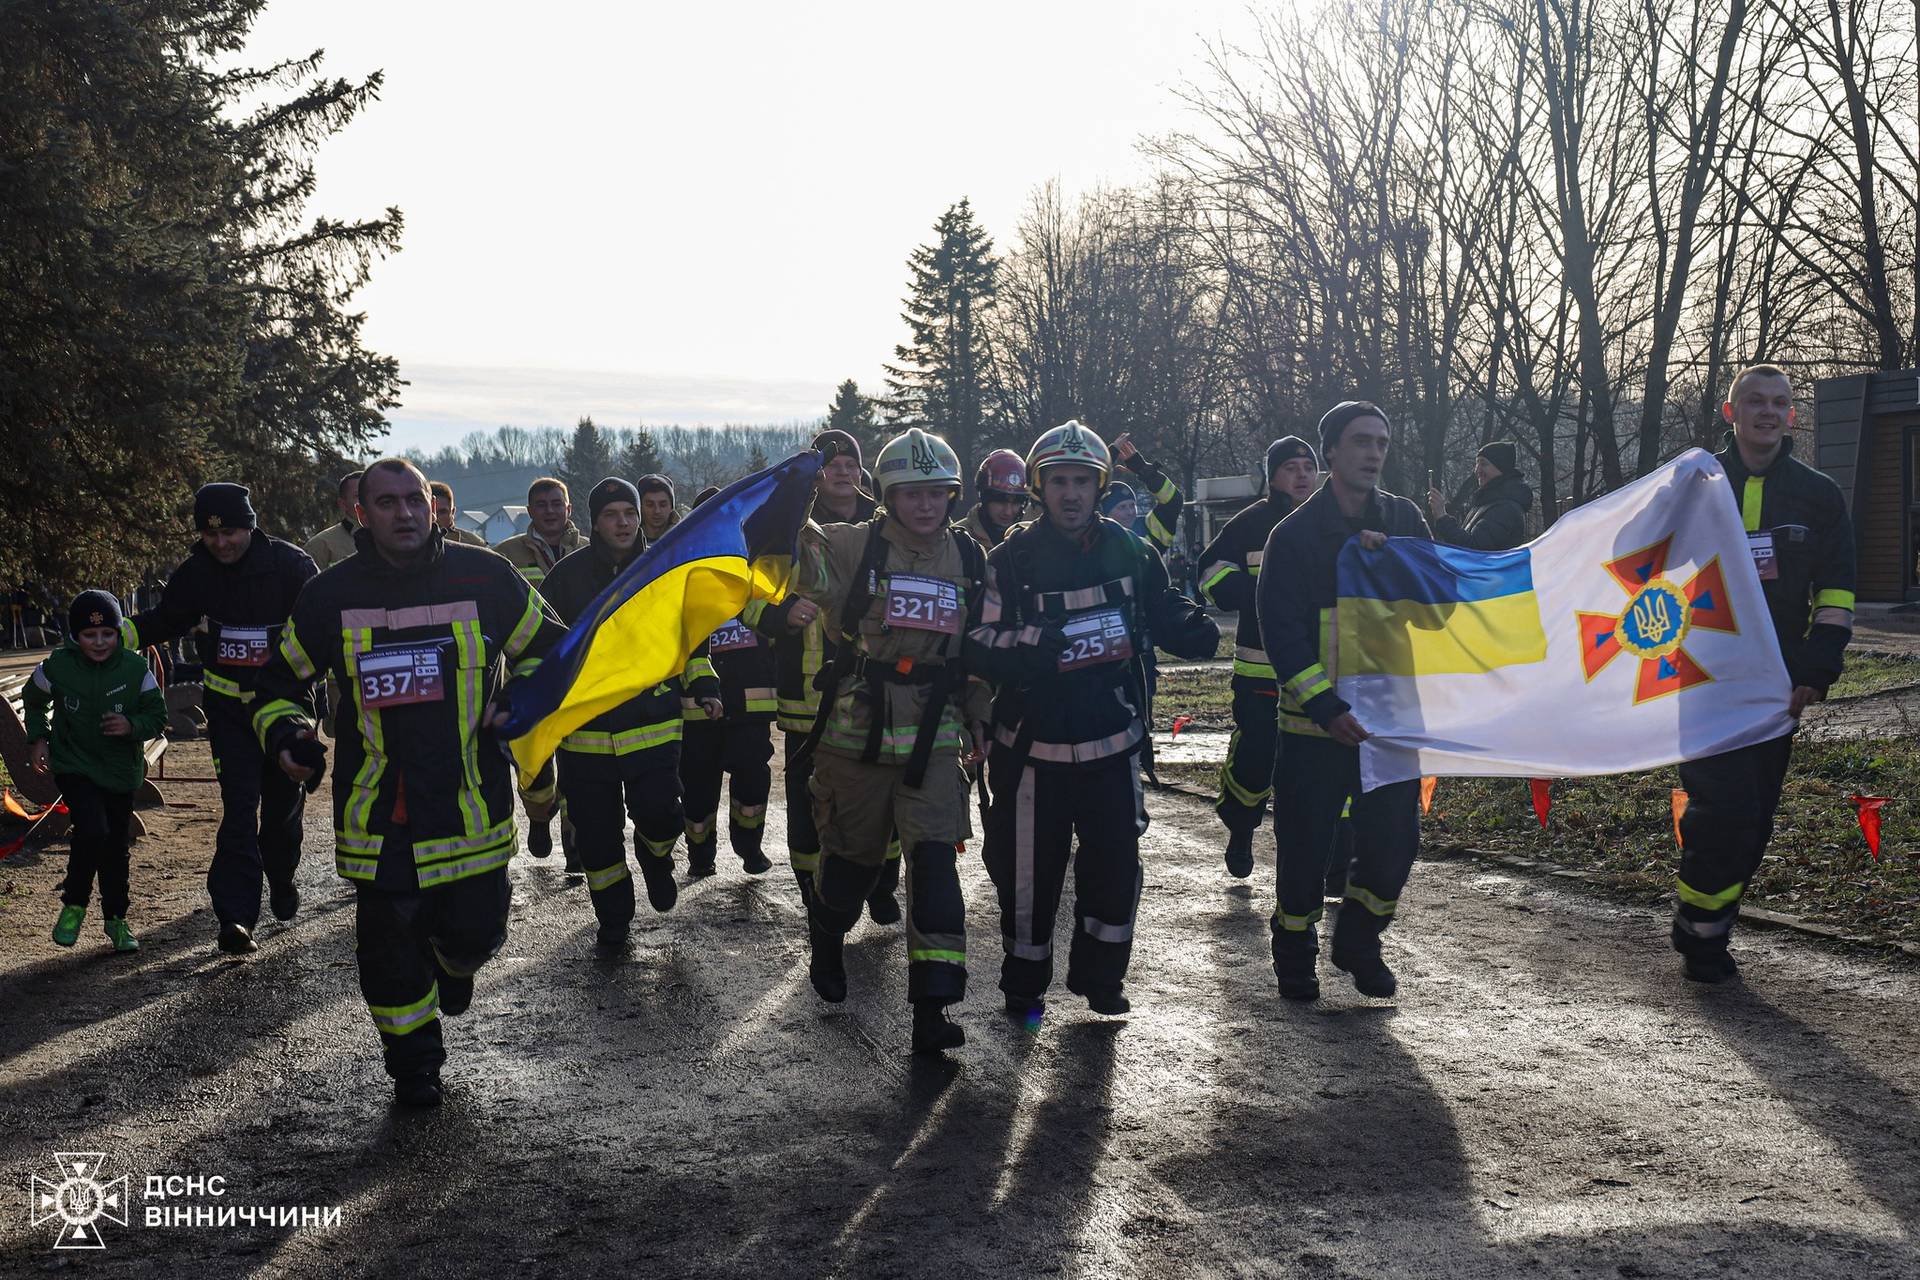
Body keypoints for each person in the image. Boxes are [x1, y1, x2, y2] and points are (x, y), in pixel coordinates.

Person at [255, 458, 566, 1108]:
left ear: (432, 507)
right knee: (389, 953)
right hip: (380, 817)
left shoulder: (486, 576)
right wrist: (290, 738)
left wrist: (522, 702)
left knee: (477, 936)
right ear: (361, 514)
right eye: (388, 502)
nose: (404, 513)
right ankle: (414, 1068)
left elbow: (548, 650)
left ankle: (453, 967)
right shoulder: (329, 596)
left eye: (414, 500)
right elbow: (277, 687)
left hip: (470, 809)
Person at [969, 421, 1218, 1019]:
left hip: (1113, 738)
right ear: (1039, 487)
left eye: (1083, 481)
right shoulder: (1010, 559)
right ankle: (1024, 980)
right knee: (1028, 873)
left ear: (1100, 484)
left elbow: (1163, 611)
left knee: (1115, 864)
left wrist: (1192, 629)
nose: (1072, 493)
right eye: (1059, 482)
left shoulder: (1132, 551)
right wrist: (1031, 640)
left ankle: (1103, 978)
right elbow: (976, 640)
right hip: (1031, 747)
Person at [793, 428, 989, 1053]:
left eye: (936, 494)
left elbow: (978, 653)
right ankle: (827, 932)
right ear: (888, 496)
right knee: (850, 867)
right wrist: (788, 502)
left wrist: (979, 718)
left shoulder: (971, 558)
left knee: (934, 864)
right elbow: (796, 567)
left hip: (935, 735)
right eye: (911, 494)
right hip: (856, 736)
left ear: (952, 497)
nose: (925, 506)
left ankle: (933, 1007)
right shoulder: (853, 546)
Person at [1672, 364, 1854, 983]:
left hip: (1777, 688)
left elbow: (1837, 592)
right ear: (1731, 412)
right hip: (1701, 679)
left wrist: (1817, 670)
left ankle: (1705, 921)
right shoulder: (1694, 485)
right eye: (1755, 402)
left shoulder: (1819, 495)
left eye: (1779, 403)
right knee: (1721, 808)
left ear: (1792, 417)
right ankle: (1703, 939)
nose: (1767, 412)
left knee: (1755, 819)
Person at [1258, 402, 1430, 1002]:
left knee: (1393, 846)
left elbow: (1439, 612)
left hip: (1389, 726)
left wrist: (1396, 565)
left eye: (1382, 442)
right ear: (1330, 451)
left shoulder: (1406, 520)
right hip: (1315, 730)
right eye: (1361, 442)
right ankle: (1295, 949)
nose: (1374, 453)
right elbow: (1283, 633)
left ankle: (1358, 941)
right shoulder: (1295, 535)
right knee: (1304, 853)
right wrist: (1326, 708)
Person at [124, 483, 316, 955]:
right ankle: (235, 917)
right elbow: (164, 620)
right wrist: (111, 633)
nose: (222, 543)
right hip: (228, 712)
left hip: (285, 709)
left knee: (280, 810)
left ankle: (283, 876)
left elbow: (326, 630)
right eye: (211, 536)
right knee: (238, 807)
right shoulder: (197, 572)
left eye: (230, 532)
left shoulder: (292, 567)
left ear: (249, 526)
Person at [542, 478, 719, 947]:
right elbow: (544, 649)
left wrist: (703, 683)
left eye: (631, 513)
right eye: (612, 515)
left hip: (653, 724)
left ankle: (656, 857)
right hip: (586, 735)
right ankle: (615, 918)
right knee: (597, 838)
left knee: (662, 815)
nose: (623, 523)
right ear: (594, 522)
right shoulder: (566, 578)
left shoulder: (663, 569)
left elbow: (689, 637)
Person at [744, 429, 900, 923]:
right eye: (831, 463)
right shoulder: (786, 528)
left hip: (879, 689)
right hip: (806, 698)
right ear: (815, 472)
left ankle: (881, 883)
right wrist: (779, 613)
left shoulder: (887, 526)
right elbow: (746, 595)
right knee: (809, 801)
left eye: (851, 462)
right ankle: (815, 895)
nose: (843, 471)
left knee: (884, 791)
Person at [1198, 436, 1321, 877]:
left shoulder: (1331, 520)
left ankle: (1334, 858)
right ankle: (1242, 828)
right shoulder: (1250, 524)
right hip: (1260, 669)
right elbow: (1209, 574)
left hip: (1324, 669)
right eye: (1292, 466)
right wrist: (1262, 595)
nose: (1303, 474)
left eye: (1309, 465)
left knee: (1323, 764)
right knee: (1257, 757)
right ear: (1273, 476)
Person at [26, 590, 168, 953]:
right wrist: (39, 738)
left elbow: (158, 716)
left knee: (115, 847)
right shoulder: (57, 666)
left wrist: (131, 725)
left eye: (108, 633)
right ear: (76, 636)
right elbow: (35, 699)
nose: (100, 642)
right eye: (90, 635)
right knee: (93, 829)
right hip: (74, 764)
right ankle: (74, 905)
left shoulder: (136, 669)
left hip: (120, 771)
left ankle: (117, 920)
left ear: (119, 633)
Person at [680, 485, 778, 878]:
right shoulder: (684, 572)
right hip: (697, 707)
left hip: (751, 702)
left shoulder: (755, 567)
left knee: (753, 782)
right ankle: (700, 855)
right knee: (697, 790)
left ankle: (749, 847)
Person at [496, 476, 586, 861]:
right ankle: (538, 813)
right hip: (529, 672)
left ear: (569, 509)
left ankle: (576, 844)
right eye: (542, 505)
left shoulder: (591, 551)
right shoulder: (504, 556)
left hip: (581, 671)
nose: (550, 511)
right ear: (529, 511)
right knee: (534, 756)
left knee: (579, 760)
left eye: (557, 504)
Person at [1427, 441, 1533, 551]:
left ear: (1501, 467)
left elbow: (1474, 549)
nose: (1477, 470)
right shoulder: (1487, 502)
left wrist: (1442, 517)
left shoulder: (1505, 509)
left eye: (1483, 464)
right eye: (1477, 464)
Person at [1099, 433, 1185, 553]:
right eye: (1122, 507)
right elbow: (1086, 494)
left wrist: (1147, 473)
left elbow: (1173, 501)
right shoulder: (1094, 537)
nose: (1130, 512)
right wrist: (1104, 464)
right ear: (1106, 513)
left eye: (1132, 505)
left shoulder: (1148, 529)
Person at [963, 449, 1029, 549]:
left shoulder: (1032, 539)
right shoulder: (959, 541)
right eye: (1000, 501)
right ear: (985, 497)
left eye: (1016, 502)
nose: (1008, 512)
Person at [304, 470, 363, 572]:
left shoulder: (392, 538)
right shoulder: (321, 545)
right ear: (343, 504)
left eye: (373, 493)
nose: (366, 500)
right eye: (358, 496)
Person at [430, 481, 489, 546]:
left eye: (442, 512)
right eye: (431, 511)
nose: (436, 517)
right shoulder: (417, 542)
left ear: (452, 513)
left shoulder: (474, 544)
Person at [636, 473, 679, 544]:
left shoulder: (683, 538)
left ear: (671, 507)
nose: (657, 511)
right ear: (640, 507)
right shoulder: (628, 541)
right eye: (650, 505)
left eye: (663, 505)